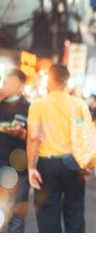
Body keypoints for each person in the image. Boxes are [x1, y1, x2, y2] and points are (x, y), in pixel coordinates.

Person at [26, 64, 89, 233]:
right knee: (75, 211)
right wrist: (88, 164)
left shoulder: (38, 104)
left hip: (48, 164)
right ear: (67, 82)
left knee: (47, 214)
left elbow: (32, 137)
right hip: (74, 163)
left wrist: (31, 167)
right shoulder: (79, 104)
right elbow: (86, 136)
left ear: (49, 80)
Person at [0, 68, 30, 233]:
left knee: (17, 213)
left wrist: (23, 133)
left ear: (21, 86)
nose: (7, 86)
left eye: (12, 83)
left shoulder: (29, 108)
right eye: (6, 82)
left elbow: (36, 139)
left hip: (19, 170)